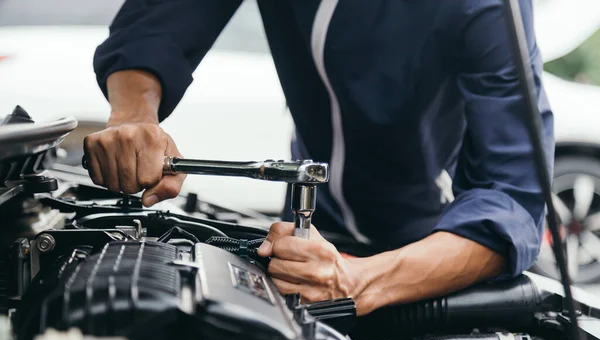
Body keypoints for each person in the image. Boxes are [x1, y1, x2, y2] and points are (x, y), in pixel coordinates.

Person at [87, 0, 554, 316]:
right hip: (306, 237)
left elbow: (512, 196)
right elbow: (158, 21)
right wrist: (133, 114)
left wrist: (359, 280)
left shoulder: (488, 6)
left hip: (425, 247)